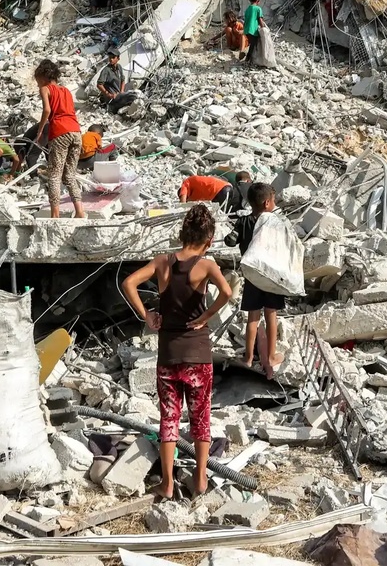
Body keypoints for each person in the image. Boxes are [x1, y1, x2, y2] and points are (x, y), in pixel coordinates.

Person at [120, 204, 233, 498]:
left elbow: (129, 282)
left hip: (168, 354)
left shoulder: (162, 262)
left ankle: (168, 484)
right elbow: (228, 293)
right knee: (201, 418)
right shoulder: (207, 265)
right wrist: (205, 317)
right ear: (209, 239)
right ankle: (200, 480)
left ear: (182, 233)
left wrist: (147, 314)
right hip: (198, 355)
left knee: (169, 419)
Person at [225, 182, 286, 373]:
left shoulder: (243, 221)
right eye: (274, 200)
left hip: (252, 275)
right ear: (268, 202)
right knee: (271, 316)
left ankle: (249, 357)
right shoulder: (275, 223)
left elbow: (231, 240)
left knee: (253, 317)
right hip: (270, 276)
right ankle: (271, 356)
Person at [35, 59, 86, 219]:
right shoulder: (66, 91)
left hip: (59, 132)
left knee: (55, 175)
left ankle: (55, 215)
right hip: (76, 132)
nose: (37, 85)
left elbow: (47, 110)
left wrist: (40, 130)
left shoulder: (45, 89)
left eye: (37, 81)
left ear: (43, 77)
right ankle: (79, 211)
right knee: (70, 175)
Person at [243, 0, 264, 64]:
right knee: (254, 45)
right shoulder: (258, 9)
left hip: (246, 30)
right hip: (253, 30)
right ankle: (248, 58)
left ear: (249, 0)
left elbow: (245, 20)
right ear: (258, 0)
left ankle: (250, 59)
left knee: (252, 44)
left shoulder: (247, 9)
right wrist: (263, 28)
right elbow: (260, 20)